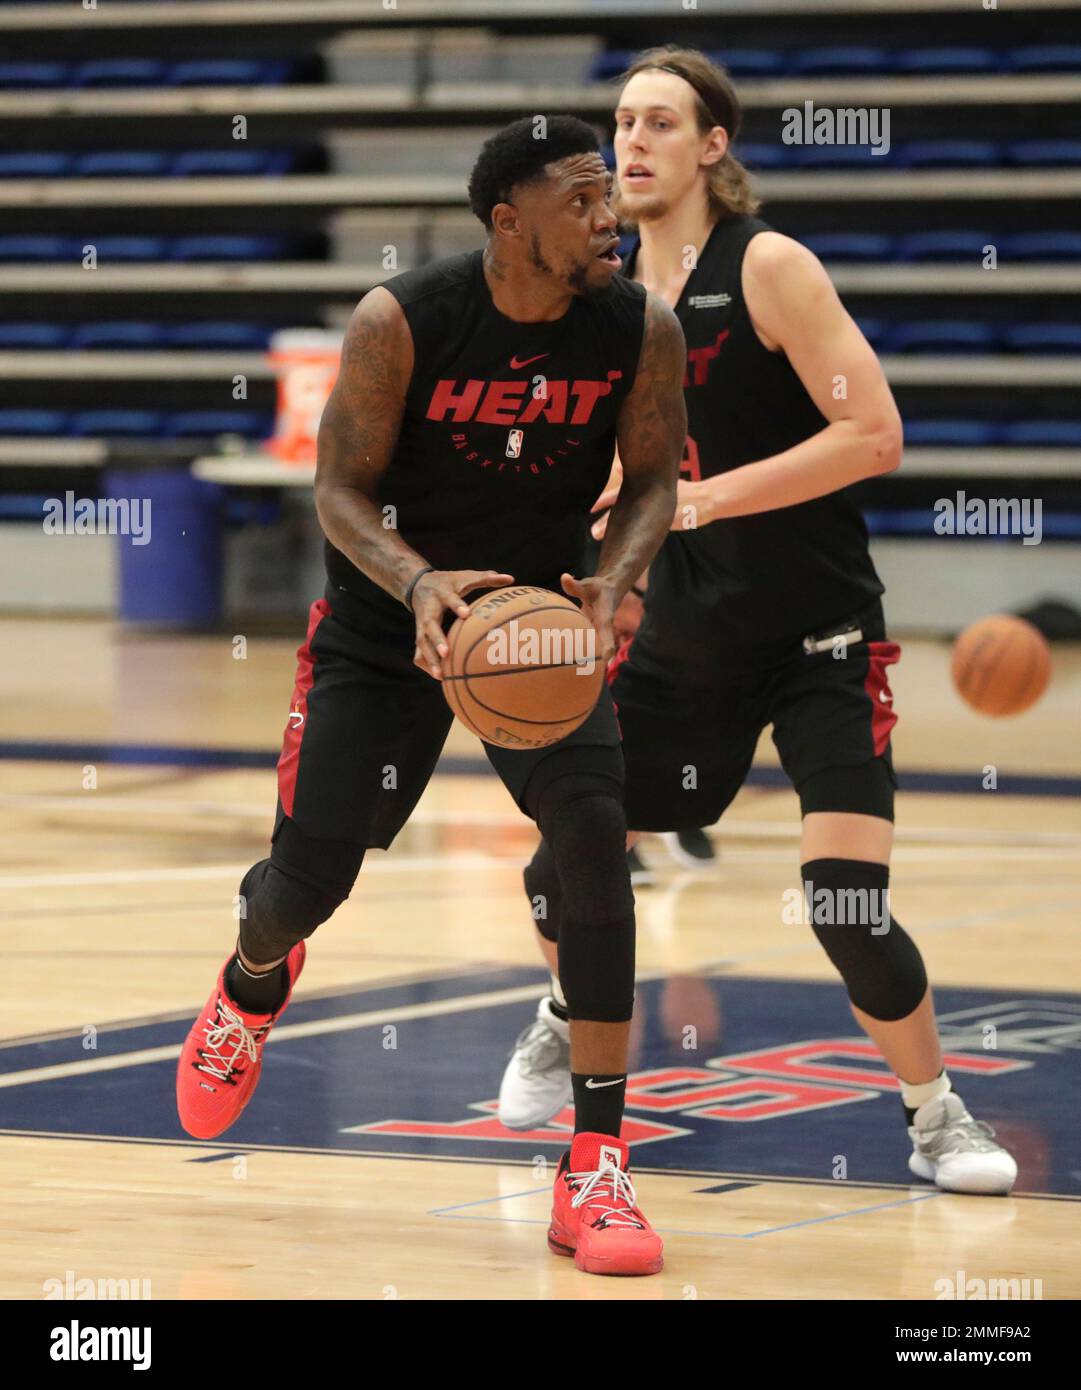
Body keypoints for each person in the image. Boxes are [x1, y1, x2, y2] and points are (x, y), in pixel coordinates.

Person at [175, 114, 689, 1276]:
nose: (608, 217)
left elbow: (655, 475)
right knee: (306, 885)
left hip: (538, 631)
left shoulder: (636, 325)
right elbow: (338, 494)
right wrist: (414, 585)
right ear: (509, 222)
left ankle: (595, 1164)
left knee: (598, 840)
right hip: (381, 628)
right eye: (580, 200)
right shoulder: (402, 321)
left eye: (608, 194)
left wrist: (614, 581)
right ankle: (253, 983)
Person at [497, 51, 1017, 1198]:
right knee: (558, 865)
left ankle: (935, 1116)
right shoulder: (607, 305)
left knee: (843, 904)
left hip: (819, 636)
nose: (631, 142)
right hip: (685, 646)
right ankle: (560, 1007)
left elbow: (873, 436)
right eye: (621, 122)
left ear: (711, 146)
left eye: (661, 123)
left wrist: (701, 498)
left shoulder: (768, 266)